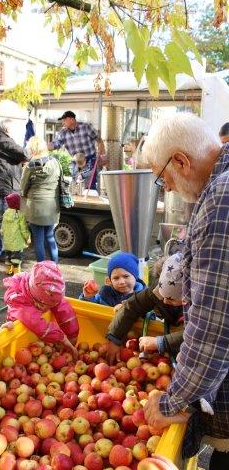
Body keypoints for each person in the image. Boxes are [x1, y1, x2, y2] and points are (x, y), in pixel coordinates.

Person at [141, 112, 229, 468]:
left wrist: (171, 402)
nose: (170, 189)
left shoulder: (222, 197)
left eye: (163, 179)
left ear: (180, 160)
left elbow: (213, 327)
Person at [105, 252, 184, 364]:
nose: (165, 300)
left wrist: (161, 342)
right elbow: (133, 305)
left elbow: (200, 333)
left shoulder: (202, 307)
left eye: (171, 299)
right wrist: (114, 338)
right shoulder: (157, 289)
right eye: (162, 296)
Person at [4, 261, 78, 356]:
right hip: (16, 330)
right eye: (47, 305)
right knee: (12, 352)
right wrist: (61, 338)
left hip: (35, 335)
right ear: (37, 300)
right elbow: (36, 323)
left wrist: (72, 334)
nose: (50, 307)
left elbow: (64, 309)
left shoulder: (46, 294)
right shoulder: (18, 300)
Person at [0, 119, 30, 257]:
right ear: (7, 129)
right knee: (8, 221)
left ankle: (0, 250)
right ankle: (1, 251)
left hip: (1, 187)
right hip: (8, 187)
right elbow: (25, 154)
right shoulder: (5, 141)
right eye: (13, 129)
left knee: (4, 220)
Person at [21, 136, 60, 263]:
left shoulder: (29, 167)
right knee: (50, 237)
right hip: (51, 206)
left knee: (38, 240)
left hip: (35, 207)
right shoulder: (55, 163)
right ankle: (54, 267)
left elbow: (23, 187)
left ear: (32, 148)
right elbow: (60, 181)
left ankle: (41, 269)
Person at [48, 111, 105, 189]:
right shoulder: (63, 132)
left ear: (72, 119)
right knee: (76, 184)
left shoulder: (86, 127)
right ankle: (79, 199)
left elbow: (98, 139)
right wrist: (44, 147)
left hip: (90, 160)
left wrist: (102, 154)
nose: (62, 122)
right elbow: (56, 144)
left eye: (64, 120)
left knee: (90, 185)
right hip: (76, 162)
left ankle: (91, 198)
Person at [80, 252, 146, 307]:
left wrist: (128, 311)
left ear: (135, 277)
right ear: (110, 281)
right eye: (116, 278)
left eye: (126, 276)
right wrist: (88, 297)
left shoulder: (143, 297)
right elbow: (91, 309)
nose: (121, 282)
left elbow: (151, 317)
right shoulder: (105, 294)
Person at [0, 192, 31, 275]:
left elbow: (2, 228)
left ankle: (9, 272)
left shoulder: (5, 213)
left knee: (8, 258)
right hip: (17, 243)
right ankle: (17, 274)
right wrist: (27, 238)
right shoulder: (20, 214)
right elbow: (24, 229)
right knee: (16, 259)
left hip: (7, 242)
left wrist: (4, 235)